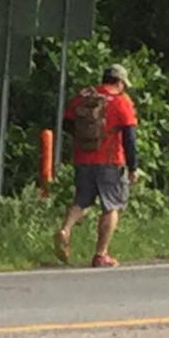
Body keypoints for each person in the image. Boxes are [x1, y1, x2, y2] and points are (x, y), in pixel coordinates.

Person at [54, 63, 138, 268]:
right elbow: (129, 136)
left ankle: (65, 229)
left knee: (82, 200)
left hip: (83, 159)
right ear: (119, 82)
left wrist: (84, 141)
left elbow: (66, 123)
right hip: (110, 160)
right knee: (112, 207)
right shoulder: (121, 101)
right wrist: (133, 166)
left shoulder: (84, 96)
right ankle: (101, 254)